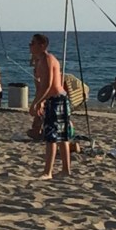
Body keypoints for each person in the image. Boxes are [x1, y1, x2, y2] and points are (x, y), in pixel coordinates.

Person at [29, 33, 72, 179]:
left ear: (42, 45)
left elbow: (47, 85)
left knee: (53, 137)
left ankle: (48, 172)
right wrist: (40, 101)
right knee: (60, 136)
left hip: (56, 99)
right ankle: (65, 170)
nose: (30, 45)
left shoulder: (48, 59)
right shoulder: (40, 61)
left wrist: (36, 102)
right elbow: (40, 85)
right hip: (54, 99)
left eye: (33, 43)